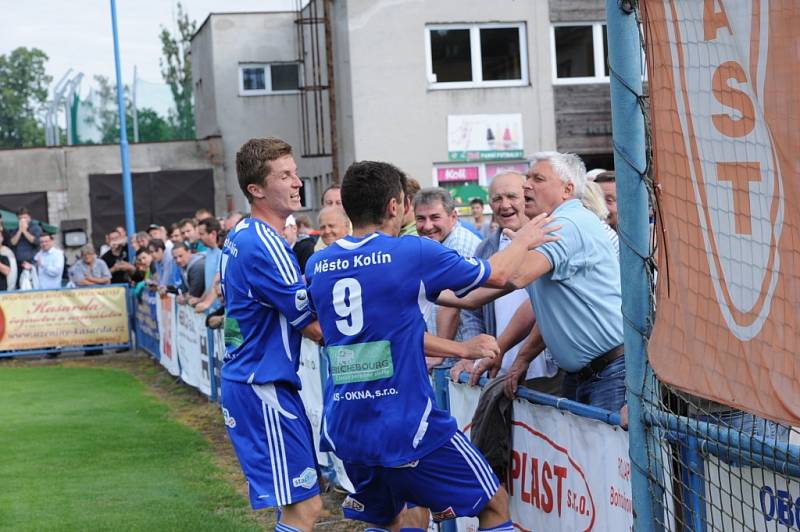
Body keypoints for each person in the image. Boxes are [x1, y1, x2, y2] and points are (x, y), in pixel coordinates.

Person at [304, 160, 558, 531]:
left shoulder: (319, 263)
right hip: (406, 424)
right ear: (396, 206)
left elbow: (380, 333)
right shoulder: (410, 252)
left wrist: (461, 349)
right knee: (493, 503)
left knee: (389, 517)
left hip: (346, 425)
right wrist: (522, 240)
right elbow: (497, 274)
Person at [439, 152, 626, 413]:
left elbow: (511, 276)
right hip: (586, 374)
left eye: (537, 178)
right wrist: (521, 356)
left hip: (610, 373)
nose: (527, 184)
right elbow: (537, 309)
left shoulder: (567, 223)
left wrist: (519, 243)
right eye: (527, 177)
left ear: (567, 189)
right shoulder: (552, 225)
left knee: (608, 454)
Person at [219, 137, 325, 531]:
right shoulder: (266, 244)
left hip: (256, 381)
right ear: (256, 189)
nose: (297, 182)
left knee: (296, 507)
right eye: (285, 175)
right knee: (305, 509)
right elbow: (314, 328)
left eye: (295, 173)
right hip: (261, 385)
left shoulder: (243, 235)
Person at [9, 207, 41, 284]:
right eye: (20, 218)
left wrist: (25, 231)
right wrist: (20, 230)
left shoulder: (36, 228)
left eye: (25, 217)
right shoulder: (15, 229)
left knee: (33, 284)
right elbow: (12, 243)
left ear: (29, 217)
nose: (23, 220)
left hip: (32, 262)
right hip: (18, 263)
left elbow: (36, 241)